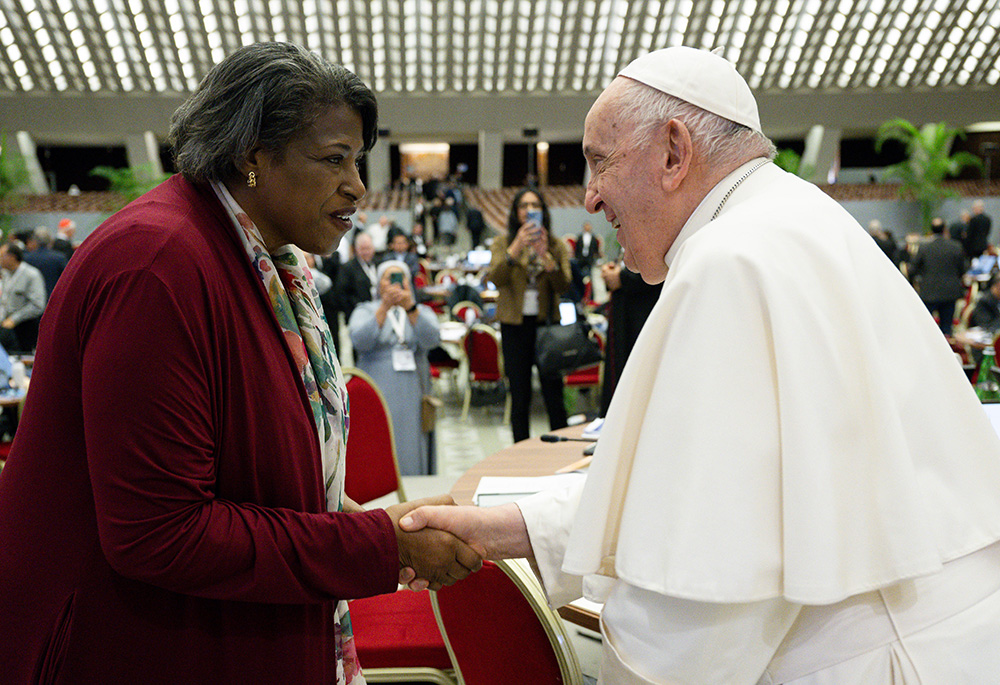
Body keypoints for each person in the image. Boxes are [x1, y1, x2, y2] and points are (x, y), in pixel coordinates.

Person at [400, 46, 1000, 683]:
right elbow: (691, 480)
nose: (592, 198)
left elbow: (710, 581)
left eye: (600, 163)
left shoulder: (731, 260)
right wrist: (506, 530)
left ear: (673, 153)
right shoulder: (791, 218)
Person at [0, 42, 480, 684]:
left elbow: (255, 473)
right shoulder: (157, 267)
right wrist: (378, 546)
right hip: (128, 646)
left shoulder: (258, 263)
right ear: (252, 157)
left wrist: (373, 527)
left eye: (358, 161)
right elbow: (159, 531)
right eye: (334, 159)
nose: (357, 187)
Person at [486, 188, 571, 443]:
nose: (529, 210)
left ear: (543, 211)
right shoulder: (503, 243)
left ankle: (561, 454)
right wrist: (515, 248)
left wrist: (546, 256)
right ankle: (520, 454)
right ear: (515, 212)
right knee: (519, 396)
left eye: (535, 205)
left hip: (547, 326)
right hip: (514, 326)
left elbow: (565, 286)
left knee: (553, 395)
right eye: (524, 205)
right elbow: (495, 279)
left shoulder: (556, 245)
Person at [349, 260, 440, 476]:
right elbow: (359, 341)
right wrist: (384, 307)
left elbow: (432, 339)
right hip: (377, 385)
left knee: (411, 437)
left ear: (409, 282)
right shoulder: (365, 309)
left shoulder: (420, 310)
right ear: (379, 283)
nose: (395, 283)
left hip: (413, 390)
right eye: (389, 278)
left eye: (401, 277)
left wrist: (410, 307)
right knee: (378, 437)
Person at [598, 259, 662, 416]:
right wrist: (614, 270)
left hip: (641, 316)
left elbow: (657, 267)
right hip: (623, 314)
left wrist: (622, 276)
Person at [909, 216, 967, 335]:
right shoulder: (955, 246)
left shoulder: (924, 247)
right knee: (946, 328)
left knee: (925, 328)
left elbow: (912, 269)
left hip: (929, 291)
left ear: (931, 230)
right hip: (950, 292)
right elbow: (963, 269)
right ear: (944, 230)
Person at [0, 240, 46, 354]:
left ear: (12, 257)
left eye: (1, 256)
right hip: (6, 327)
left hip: (25, 327)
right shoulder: (6, 273)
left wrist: (14, 319)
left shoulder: (32, 275)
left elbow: (37, 305)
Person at [337, 229, 379, 322]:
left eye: (368, 248)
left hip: (379, 312)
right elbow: (342, 294)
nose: (366, 252)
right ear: (356, 249)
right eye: (362, 249)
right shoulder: (348, 268)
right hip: (357, 315)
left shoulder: (379, 264)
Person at [21, 226, 68, 296]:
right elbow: (66, 279)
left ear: (35, 241)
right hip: (53, 297)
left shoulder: (26, 258)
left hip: (33, 297)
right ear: (50, 240)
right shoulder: (59, 258)